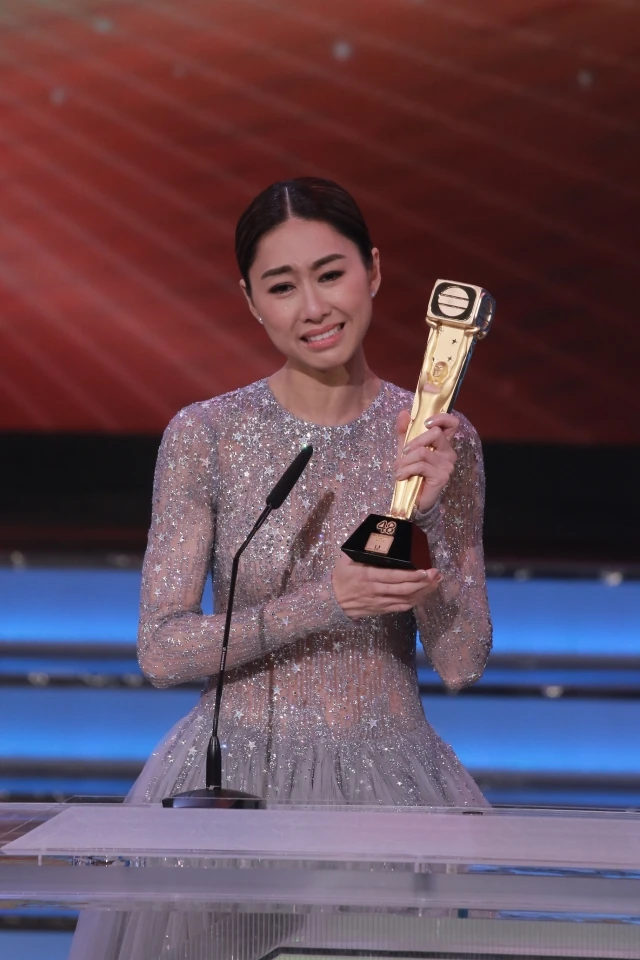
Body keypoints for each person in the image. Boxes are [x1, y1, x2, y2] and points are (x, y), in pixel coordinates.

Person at [70, 177, 492, 959]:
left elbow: (463, 662)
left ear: (373, 271)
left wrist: (429, 512)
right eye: (282, 286)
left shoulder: (438, 436)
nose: (314, 307)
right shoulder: (206, 435)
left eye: (330, 274)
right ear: (251, 301)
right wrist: (329, 600)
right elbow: (161, 650)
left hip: (388, 793)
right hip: (234, 789)